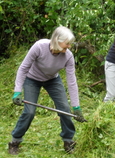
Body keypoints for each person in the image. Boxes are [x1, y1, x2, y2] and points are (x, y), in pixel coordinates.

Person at [9, 26, 86, 155]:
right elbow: (23, 68)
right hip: (32, 79)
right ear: (57, 40)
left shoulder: (68, 56)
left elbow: (72, 82)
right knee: (29, 112)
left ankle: (68, 141)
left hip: (52, 80)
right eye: (67, 43)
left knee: (65, 110)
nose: (69, 46)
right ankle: (15, 141)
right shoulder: (39, 46)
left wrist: (76, 106)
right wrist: (17, 91)